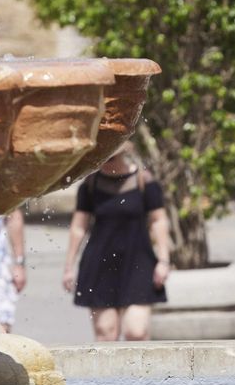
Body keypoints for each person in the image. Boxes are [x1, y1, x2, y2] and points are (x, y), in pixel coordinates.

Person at [62, 141, 171, 341]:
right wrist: (69, 266)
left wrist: (163, 260)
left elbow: (158, 220)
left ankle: (141, 373)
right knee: (106, 333)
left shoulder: (145, 182)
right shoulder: (90, 185)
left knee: (136, 332)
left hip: (138, 262)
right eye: (102, 158)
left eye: (111, 158)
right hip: (100, 264)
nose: (107, 163)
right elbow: (79, 227)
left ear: (122, 155)